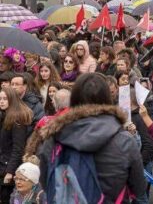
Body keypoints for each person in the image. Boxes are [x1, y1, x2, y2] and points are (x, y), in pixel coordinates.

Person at [38, 73, 146, 203]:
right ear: (107, 98)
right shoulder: (125, 141)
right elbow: (139, 189)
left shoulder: (55, 137)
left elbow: (46, 181)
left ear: (74, 99)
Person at [0, 87, 33, 204]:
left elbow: (18, 149)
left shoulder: (17, 120)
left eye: (5, 99)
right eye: (0, 99)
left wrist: (10, 171)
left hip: (8, 168)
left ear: (12, 100)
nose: (2, 101)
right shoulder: (4, 115)